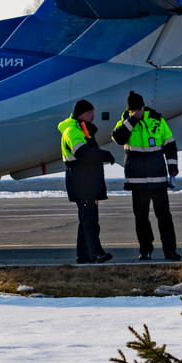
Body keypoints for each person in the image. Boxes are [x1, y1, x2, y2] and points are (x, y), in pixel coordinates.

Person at [112, 90, 180, 261]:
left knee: (164, 216)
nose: (134, 113)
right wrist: (133, 119)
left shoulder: (157, 121)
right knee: (141, 217)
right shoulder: (125, 123)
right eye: (131, 111)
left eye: (137, 110)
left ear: (143, 108)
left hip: (158, 179)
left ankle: (170, 250)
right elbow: (118, 138)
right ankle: (145, 250)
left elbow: (170, 145)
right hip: (137, 181)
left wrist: (173, 168)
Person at [59, 99, 115, 264]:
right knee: (90, 220)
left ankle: (83, 255)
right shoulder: (72, 131)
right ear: (81, 113)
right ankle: (97, 253)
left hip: (86, 181)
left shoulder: (83, 130)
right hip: (82, 182)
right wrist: (104, 155)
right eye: (90, 111)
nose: (93, 115)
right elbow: (82, 153)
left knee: (85, 220)